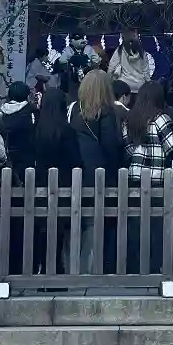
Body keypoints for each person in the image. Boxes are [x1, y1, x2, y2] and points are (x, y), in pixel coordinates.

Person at [70, 68, 125, 272]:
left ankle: (81, 267)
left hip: (79, 174)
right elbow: (111, 148)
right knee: (103, 223)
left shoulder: (75, 112)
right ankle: (99, 269)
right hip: (102, 176)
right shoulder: (107, 114)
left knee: (84, 222)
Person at [123, 79, 173, 272]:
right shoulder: (161, 119)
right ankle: (155, 268)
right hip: (158, 180)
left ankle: (135, 268)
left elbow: (127, 147)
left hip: (134, 178)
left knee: (135, 224)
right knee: (157, 226)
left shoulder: (130, 119)